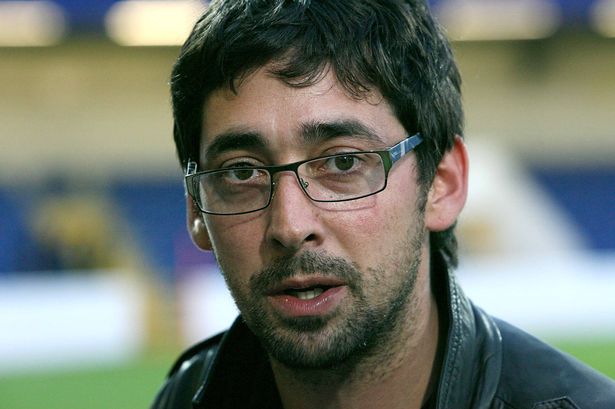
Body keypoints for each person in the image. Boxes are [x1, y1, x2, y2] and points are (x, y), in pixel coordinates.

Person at [152, 0, 615, 408]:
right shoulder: (184, 398)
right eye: (241, 172)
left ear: (442, 185)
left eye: (344, 161)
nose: (290, 226)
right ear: (196, 209)